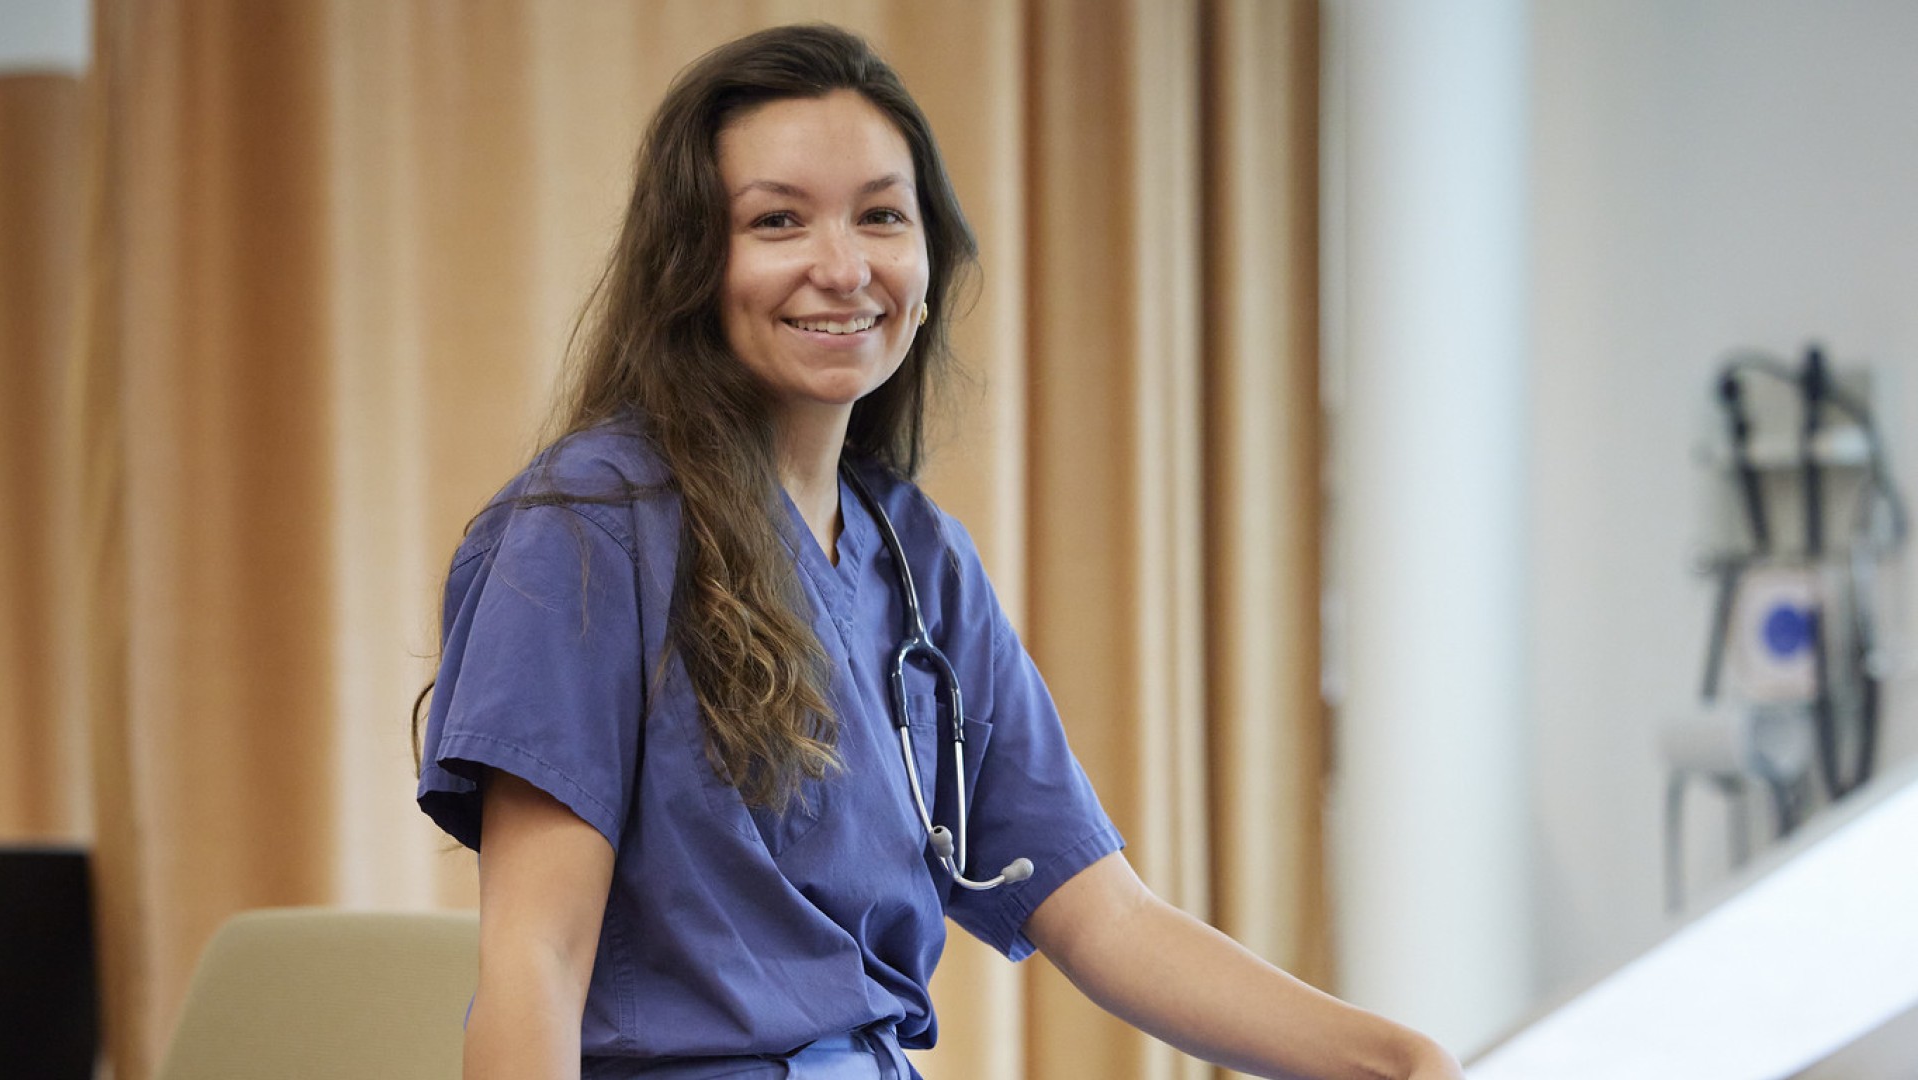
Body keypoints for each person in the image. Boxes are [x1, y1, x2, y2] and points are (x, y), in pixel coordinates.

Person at [414, 22, 1465, 1080]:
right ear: (693, 261)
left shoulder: (917, 563)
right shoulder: (589, 529)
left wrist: (1398, 1060)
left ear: (928, 258)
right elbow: (535, 957)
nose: (843, 266)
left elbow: (1104, 919)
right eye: (777, 221)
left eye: (881, 216)